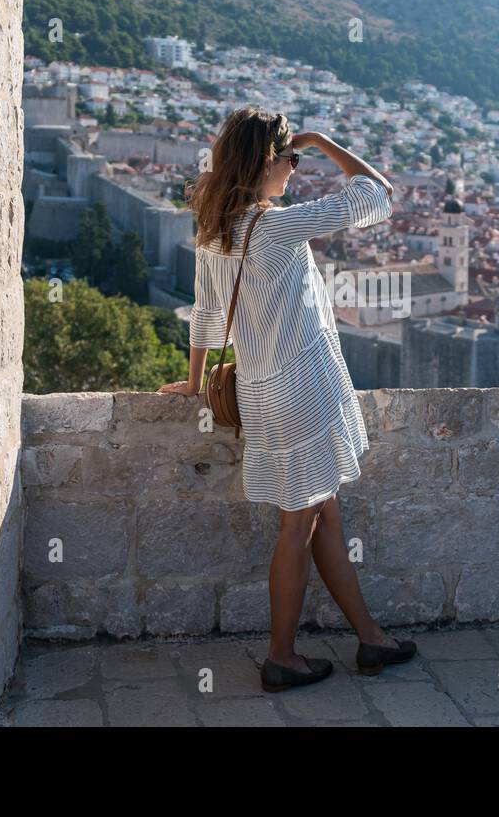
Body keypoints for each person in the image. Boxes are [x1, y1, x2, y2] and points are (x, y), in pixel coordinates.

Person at [159, 106, 418, 692]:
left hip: (259, 390)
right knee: (297, 522)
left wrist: (197, 384)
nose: (295, 170)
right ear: (265, 162)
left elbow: (204, 315)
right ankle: (281, 656)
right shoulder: (275, 225)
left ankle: (371, 639)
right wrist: (324, 139)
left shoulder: (216, 229)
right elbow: (378, 195)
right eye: (290, 159)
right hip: (303, 385)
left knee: (323, 511)